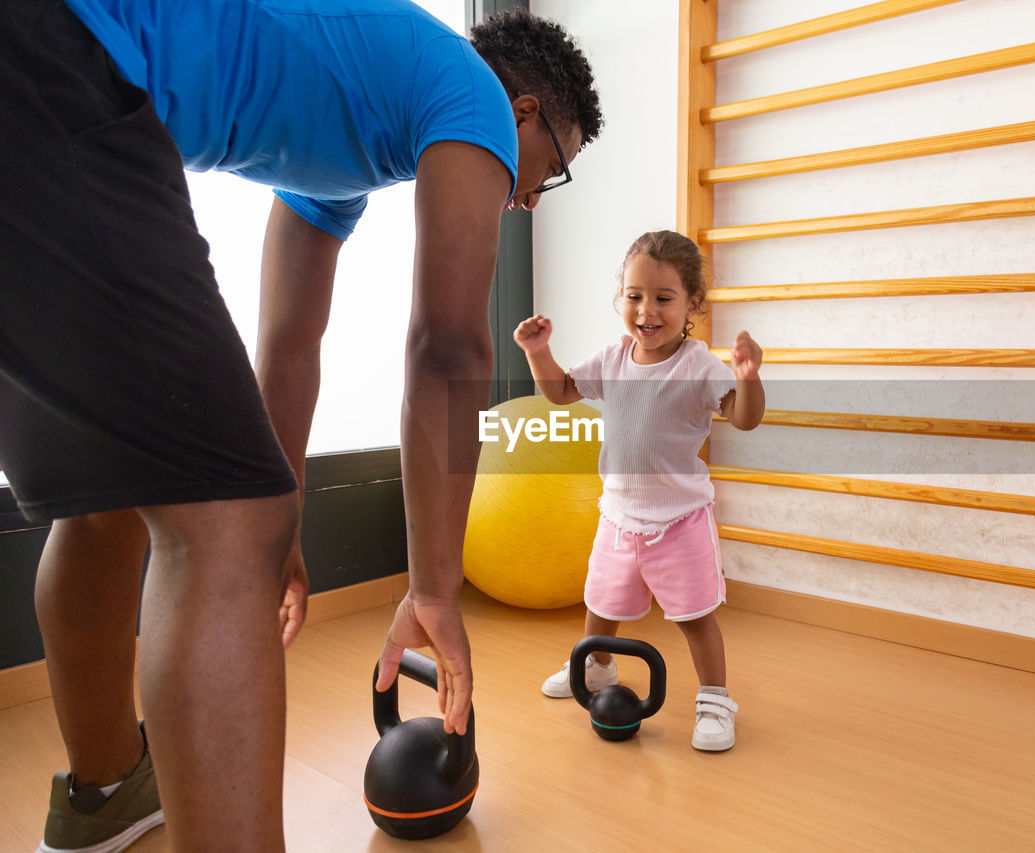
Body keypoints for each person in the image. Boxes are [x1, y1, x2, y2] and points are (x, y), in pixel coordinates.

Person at [0, 0, 601, 849]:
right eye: (551, 169)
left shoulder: (342, 139)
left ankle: (102, 798)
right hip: (58, 55)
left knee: (111, 493)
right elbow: (445, 347)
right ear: (525, 114)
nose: (531, 196)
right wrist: (433, 589)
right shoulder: (473, 93)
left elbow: (289, 341)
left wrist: (278, 527)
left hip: (38, 78)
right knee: (218, 515)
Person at [513, 230, 765, 751]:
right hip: (618, 515)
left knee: (695, 618)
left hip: (680, 521)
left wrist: (748, 379)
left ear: (692, 302)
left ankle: (715, 701)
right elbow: (561, 393)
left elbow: (744, 419)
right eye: (634, 296)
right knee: (600, 604)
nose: (646, 310)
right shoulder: (613, 358)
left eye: (663, 298)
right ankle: (597, 666)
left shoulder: (697, 366)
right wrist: (539, 352)